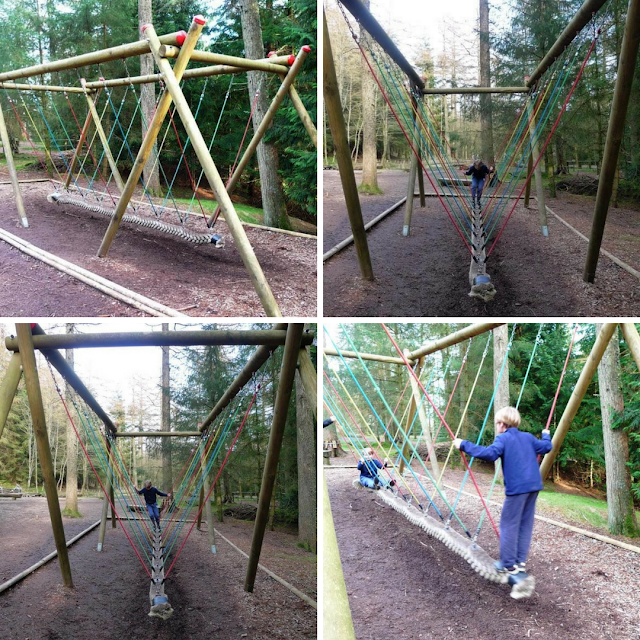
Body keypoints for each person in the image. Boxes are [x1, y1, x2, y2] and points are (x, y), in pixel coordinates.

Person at [453, 406, 552, 600]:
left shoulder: (503, 438)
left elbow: (489, 454)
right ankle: (520, 562)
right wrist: (546, 435)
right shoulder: (528, 437)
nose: (497, 425)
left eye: (498, 422)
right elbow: (546, 447)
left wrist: (463, 444)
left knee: (508, 524)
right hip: (533, 486)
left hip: (517, 489)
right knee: (525, 524)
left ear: (502, 424)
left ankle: (508, 564)